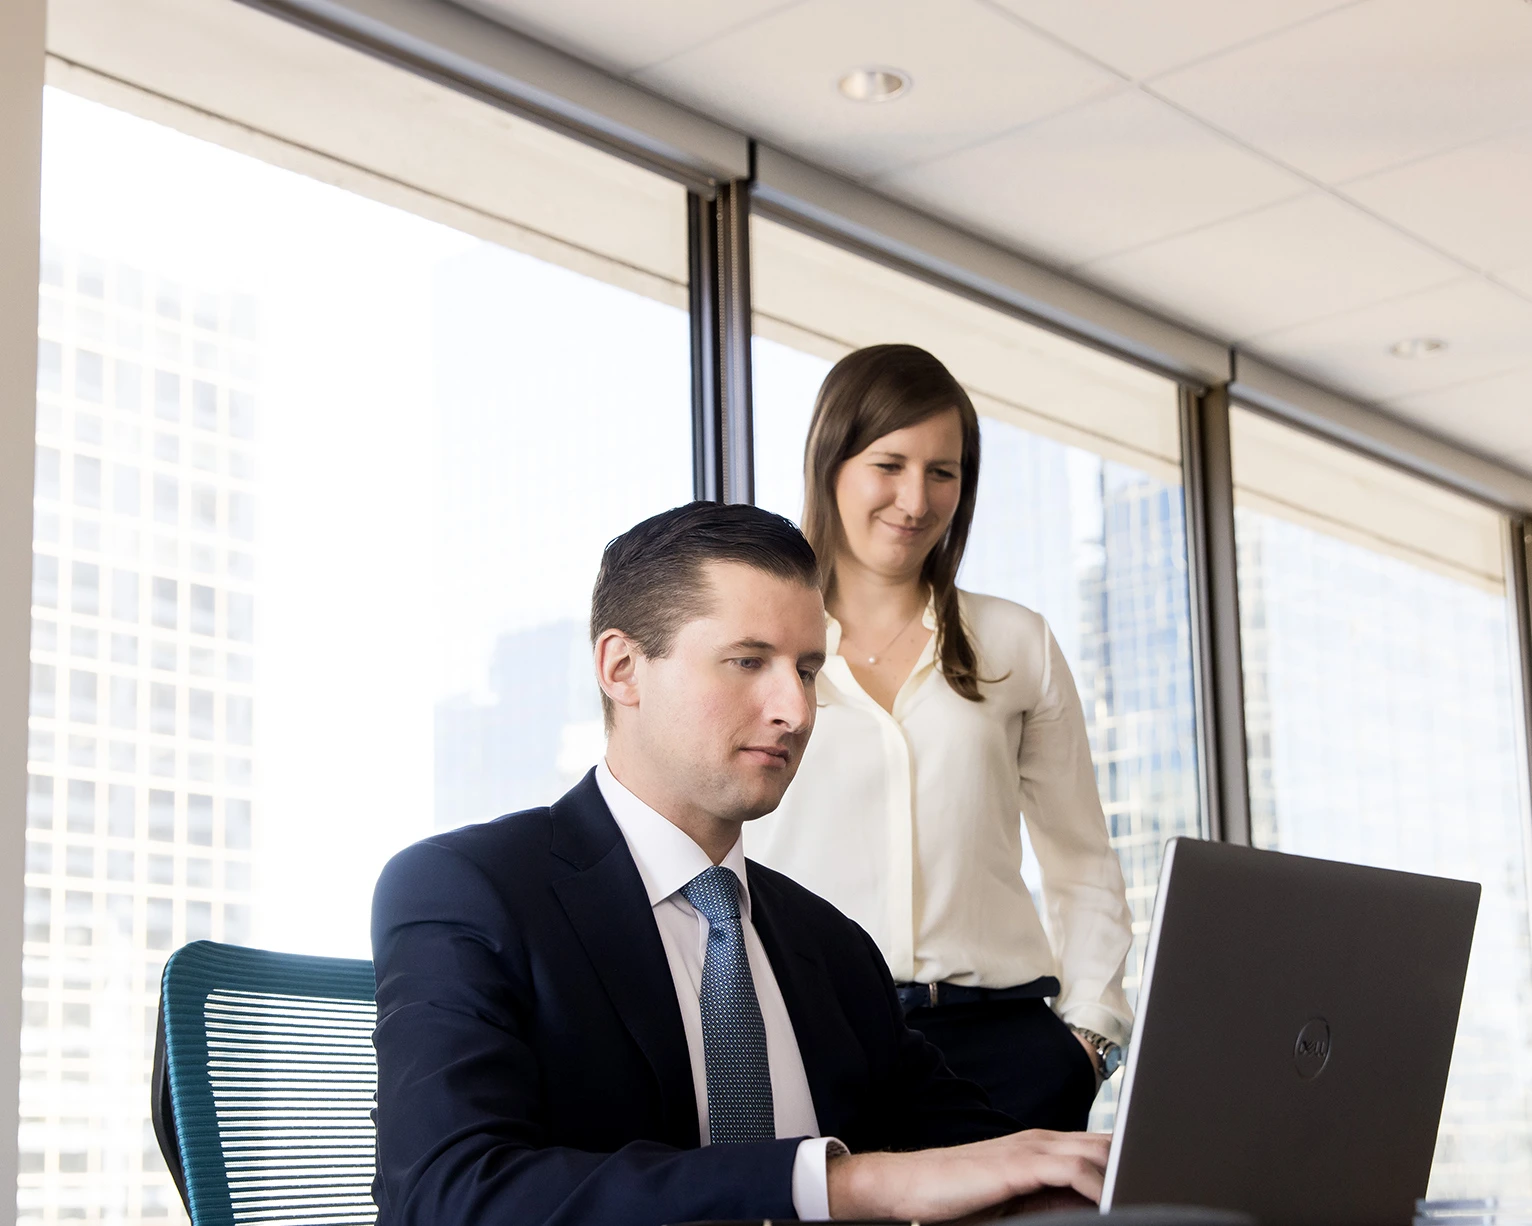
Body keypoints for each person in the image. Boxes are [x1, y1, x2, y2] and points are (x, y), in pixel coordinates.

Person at [371, 501, 1110, 1226]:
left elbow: (979, 1159)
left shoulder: (832, 947)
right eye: (749, 661)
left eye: (809, 669)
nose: (797, 709)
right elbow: (449, 1195)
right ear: (622, 667)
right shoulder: (468, 894)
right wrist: (841, 1186)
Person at [746, 344, 1135, 1132]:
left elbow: (1081, 859)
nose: (915, 500)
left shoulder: (1016, 641)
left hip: (1005, 1050)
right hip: (810, 1036)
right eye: (888, 464)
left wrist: (1091, 1038)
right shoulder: (756, 643)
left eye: (943, 472)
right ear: (831, 463)